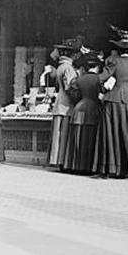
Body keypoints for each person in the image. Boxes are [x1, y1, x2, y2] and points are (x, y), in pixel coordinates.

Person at [92, 28, 128, 178]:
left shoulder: (114, 62)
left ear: (119, 49)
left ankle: (109, 168)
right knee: (126, 133)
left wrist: (104, 86)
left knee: (109, 133)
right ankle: (127, 169)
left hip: (112, 99)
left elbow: (101, 78)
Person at [60, 51, 104, 175]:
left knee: (79, 137)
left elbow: (72, 93)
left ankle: (77, 165)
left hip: (79, 108)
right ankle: (90, 167)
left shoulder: (78, 80)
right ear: (97, 66)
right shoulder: (99, 79)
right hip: (94, 108)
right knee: (91, 138)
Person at [47, 38, 80, 166]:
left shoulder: (60, 67)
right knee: (64, 134)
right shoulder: (68, 68)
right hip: (67, 105)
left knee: (58, 134)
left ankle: (56, 159)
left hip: (59, 103)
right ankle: (62, 161)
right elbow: (70, 88)